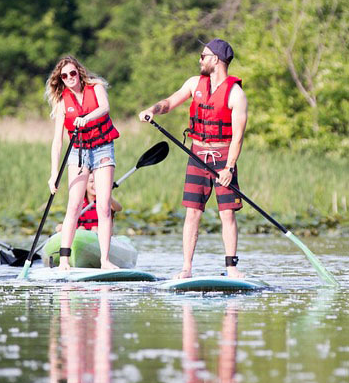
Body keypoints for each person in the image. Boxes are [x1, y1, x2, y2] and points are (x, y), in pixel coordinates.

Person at [138, 38, 247, 279]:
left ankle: (231, 267)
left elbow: (238, 138)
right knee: (192, 213)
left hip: (222, 158)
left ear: (215, 60)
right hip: (197, 155)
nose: (199, 60)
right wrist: (152, 110)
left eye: (203, 55)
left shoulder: (236, 94)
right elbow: (168, 103)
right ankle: (186, 268)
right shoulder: (194, 83)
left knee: (227, 214)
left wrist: (229, 168)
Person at [45, 55, 121, 270]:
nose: (69, 78)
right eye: (64, 76)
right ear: (61, 79)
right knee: (74, 205)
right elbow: (57, 141)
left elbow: (104, 108)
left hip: (102, 148)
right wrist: (53, 174)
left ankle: (105, 261)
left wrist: (86, 118)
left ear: (79, 73)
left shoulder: (95, 87)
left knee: (103, 205)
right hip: (78, 152)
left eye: (72, 73)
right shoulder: (62, 102)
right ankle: (65, 260)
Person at [55, 173, 123, 233]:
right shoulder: (79, 201)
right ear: (85, 184)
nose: (95, 184)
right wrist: (63, 227)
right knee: (80, 229)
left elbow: (119, 208)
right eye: (91, 181)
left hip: (100, 233)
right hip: (82, 232)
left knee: (95, 229)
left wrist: (108, 197)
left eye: (98, 181)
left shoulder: (105, 199)